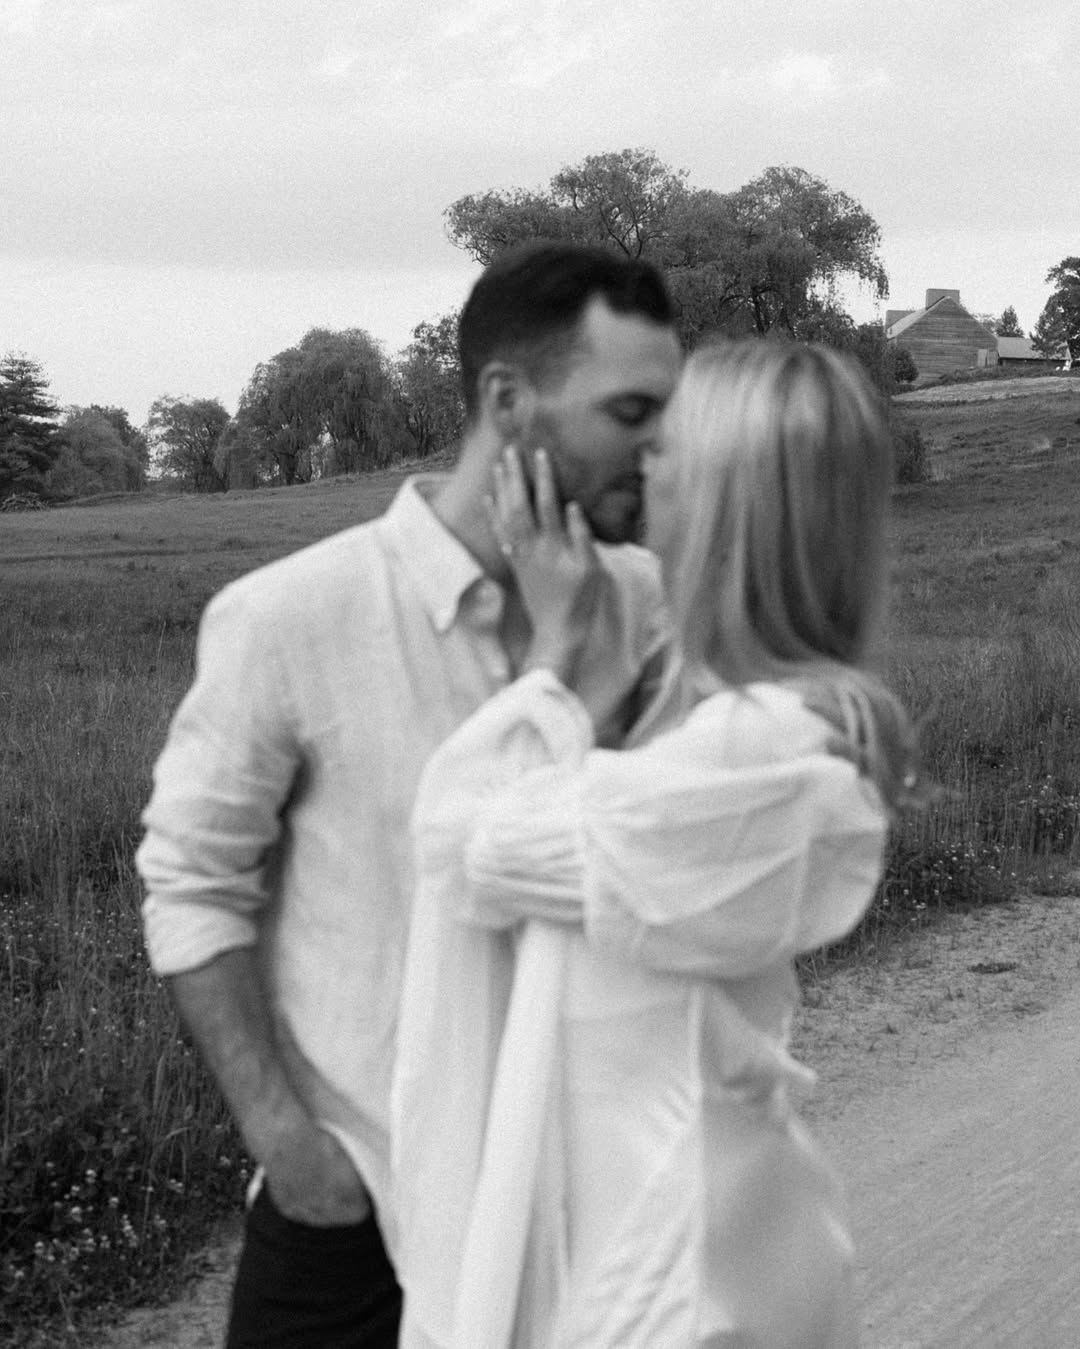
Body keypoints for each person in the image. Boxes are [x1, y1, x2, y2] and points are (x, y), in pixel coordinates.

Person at [135, 240, 685, 1348]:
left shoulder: (650, 605)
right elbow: (191, 884)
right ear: (506, 399)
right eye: (631, 410)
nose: (663, 447)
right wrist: (289, 1143)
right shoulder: (289, 617)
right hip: (355, 1211)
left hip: (589, 1201)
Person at [394, 340, 923, 1348]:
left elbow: (470, 842)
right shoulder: (727, 728)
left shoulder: (768, 750)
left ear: (732, 494)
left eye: (667, 446)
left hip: (690, 1276)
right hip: (682, 1239)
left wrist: (553, 658)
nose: (640, 465)